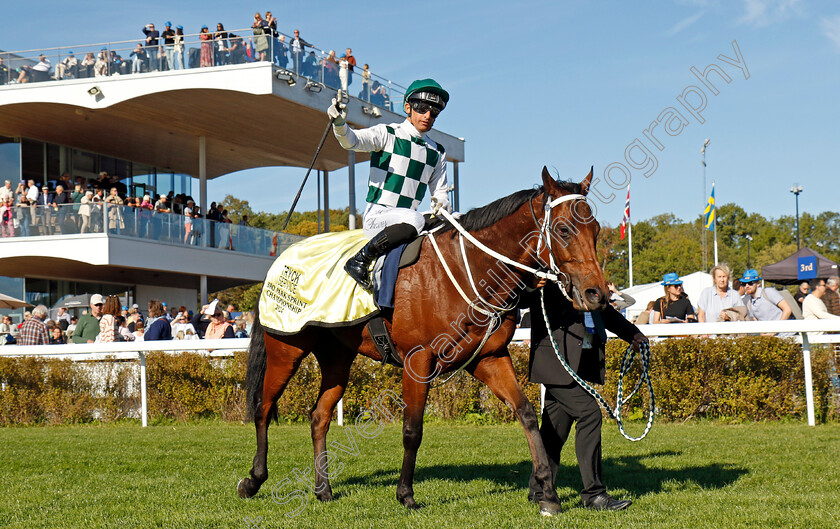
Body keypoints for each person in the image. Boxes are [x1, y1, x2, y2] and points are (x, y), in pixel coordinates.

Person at [526, 280, 646, 511]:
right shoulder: (547, 278)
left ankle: (538, 489)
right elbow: (521, 297)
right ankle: (594, 495)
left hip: (579, 364)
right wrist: (531, 285)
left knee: (555, 430)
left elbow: (605, 311)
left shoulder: (586, 277)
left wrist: (632, 334)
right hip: (556, 364)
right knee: (590, 414)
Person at [328, 79, 451, 290]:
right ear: (407, 107)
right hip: (378, 218)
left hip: (407, 222)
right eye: (422, 108)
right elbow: (352, 141)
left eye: (434, 112)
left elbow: (440, 191)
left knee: (454, 221)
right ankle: (361, 259)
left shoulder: (437, 151)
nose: (428, 115)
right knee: (414, 217)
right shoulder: (387, 133)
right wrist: (340, 124)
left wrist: (442, 203)